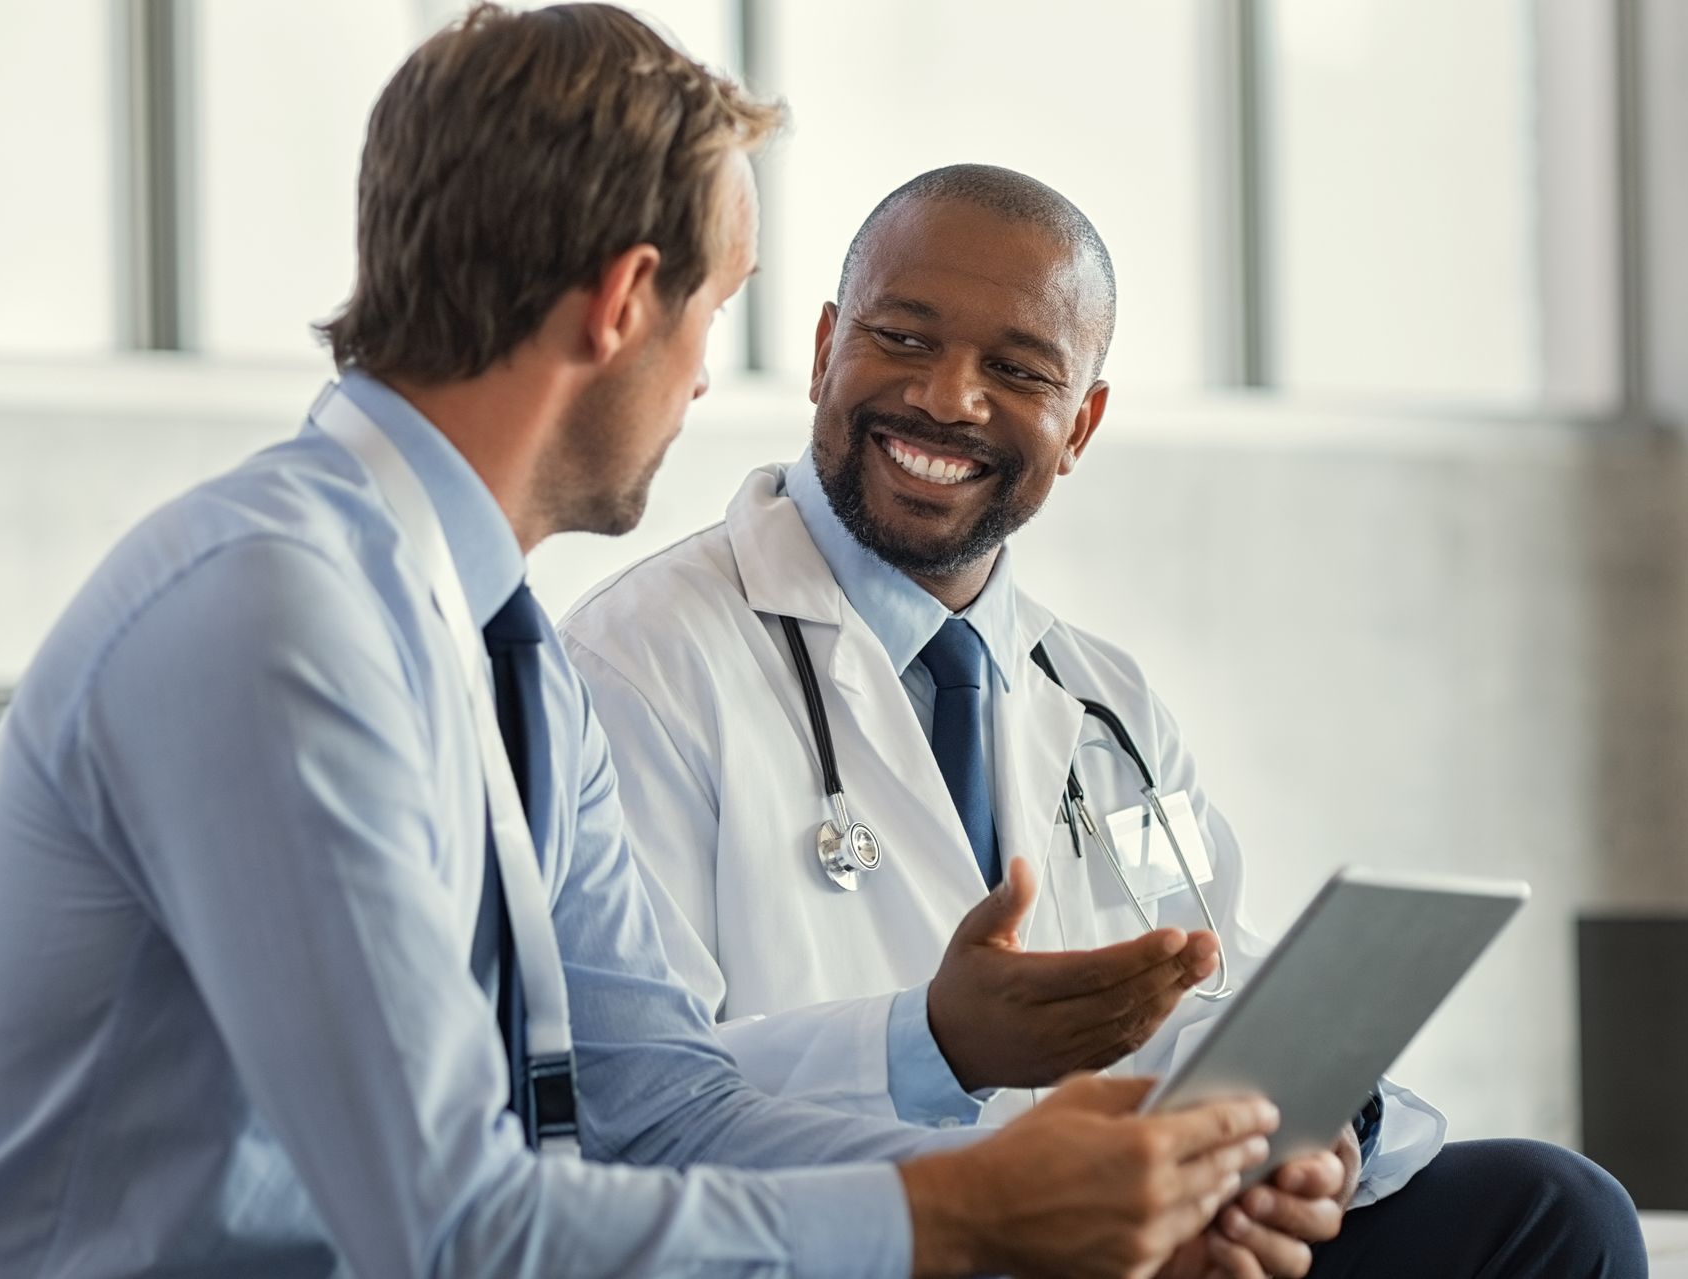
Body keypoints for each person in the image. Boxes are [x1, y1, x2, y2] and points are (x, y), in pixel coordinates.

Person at [0, 9, 1290, 1278]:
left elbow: (655, 1105)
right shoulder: (276, 618)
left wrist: (1055, 1186)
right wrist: (970, 1214)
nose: (704, 376)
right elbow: (451, 1226)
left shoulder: (504, 656)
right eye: (716, 309)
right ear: (627, 299)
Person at [560, 164, 1648, 1277]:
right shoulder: (639, 663)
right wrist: (932, 1045)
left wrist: (1318, 1135)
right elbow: (632, 1108)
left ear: (1077, 424)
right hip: (880, 1243)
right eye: (903, 339)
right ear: (823, 349)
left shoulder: (1100, 706)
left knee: (1551, 1211)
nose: (946, 398)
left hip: (1125, 1234)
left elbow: (1206, 986)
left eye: (1015, 370)